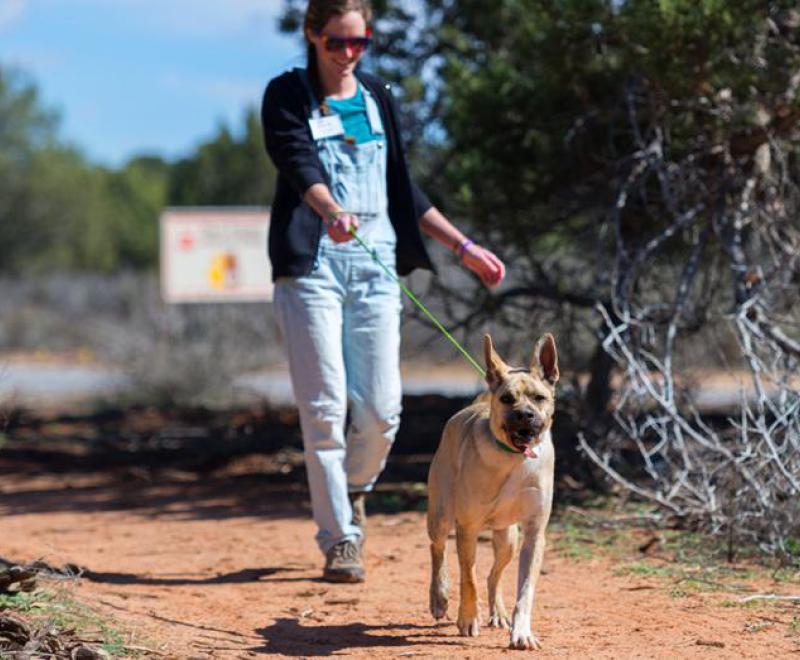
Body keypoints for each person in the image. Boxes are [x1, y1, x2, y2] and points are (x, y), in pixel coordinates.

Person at [261, 0, 506, 583]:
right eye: (337, 43)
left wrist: (463, 247)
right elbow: (295, 159)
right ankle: (341, 537)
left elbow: (404, 187)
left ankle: (352, 490)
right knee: (324, 410)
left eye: (359, 42)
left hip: (376, 266)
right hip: (313, 266)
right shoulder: (287, 94)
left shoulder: (376, 96)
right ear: (313, 37)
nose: (349, 55)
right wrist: (329, 209)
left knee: (379, 412)